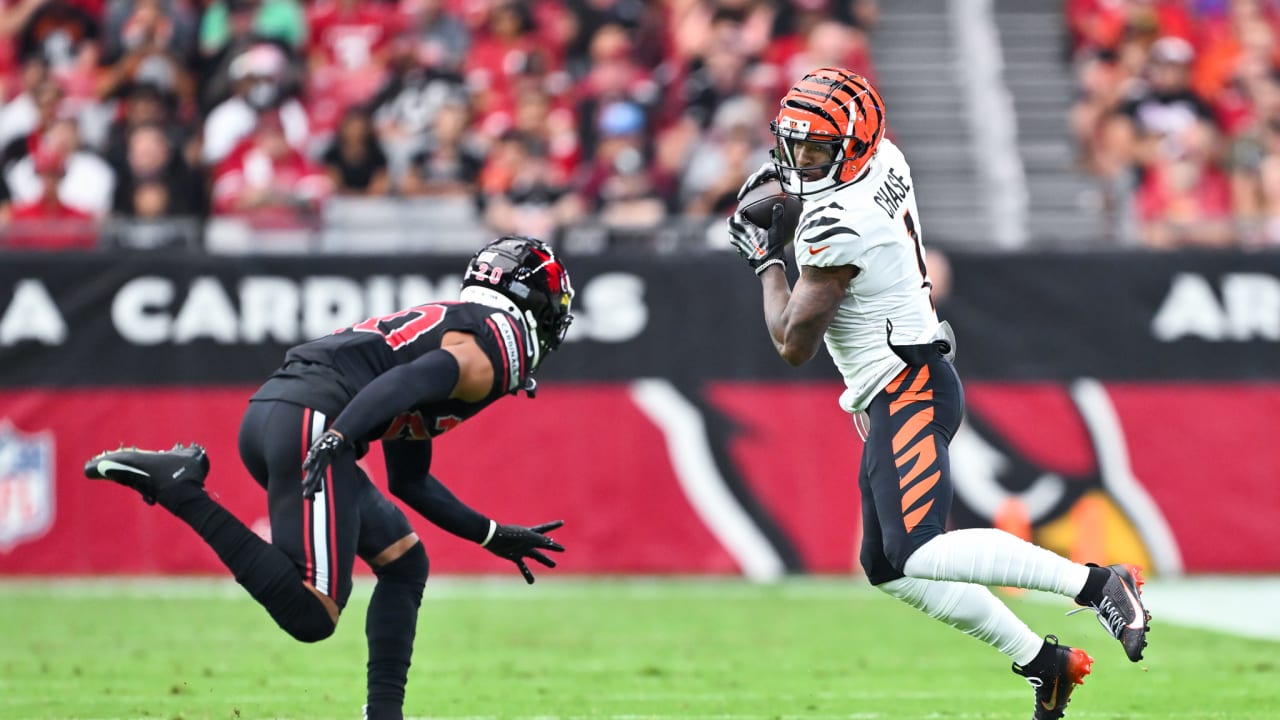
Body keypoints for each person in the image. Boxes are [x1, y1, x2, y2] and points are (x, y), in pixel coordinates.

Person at [724, 67, 1150, 720]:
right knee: (891, 567)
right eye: (797, 145)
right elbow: (826, 183)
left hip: (908, 383)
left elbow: (792, 342)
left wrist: (765, 260)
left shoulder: (841, 221)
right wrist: (794, 189)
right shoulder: (883, 157)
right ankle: (1046, 664)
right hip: (899, 380)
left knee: (919, 546)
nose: (802, 161)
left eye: (817, 150)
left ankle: (1096, 583)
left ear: (852, 147)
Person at [83, 235, 573, 720]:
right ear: (534, 301)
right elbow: (407, 381)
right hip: (315, 421)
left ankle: (384, 713)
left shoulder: (457, 327)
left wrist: (490, 534)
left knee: (404, 562)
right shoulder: (495, 344)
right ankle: (181, 488)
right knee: (312, 614)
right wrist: (340, 436)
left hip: (284, 413)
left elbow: (410, 480)